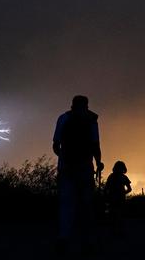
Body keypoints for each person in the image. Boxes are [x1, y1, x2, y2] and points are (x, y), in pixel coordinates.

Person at [52, 95, 103, 251]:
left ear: (72, 105)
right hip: (85, 167)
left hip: (66, 167)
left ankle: (64, 237)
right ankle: (88, 240)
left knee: (67, 203)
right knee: (86, 203)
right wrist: (98, 162)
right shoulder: (91, 120)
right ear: (86, 105)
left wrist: (63, 158)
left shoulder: (63, 118)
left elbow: (55, 145)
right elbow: (96, 145)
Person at [104, 160, 131, 234]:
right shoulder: (112, 176)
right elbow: (106, 188)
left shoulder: (122, 177)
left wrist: (122, 193)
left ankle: (118, 231)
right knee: (114, 214)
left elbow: (129, 189)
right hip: (113, 198)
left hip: (118, 198)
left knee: (118, 214)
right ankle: (115, 231)